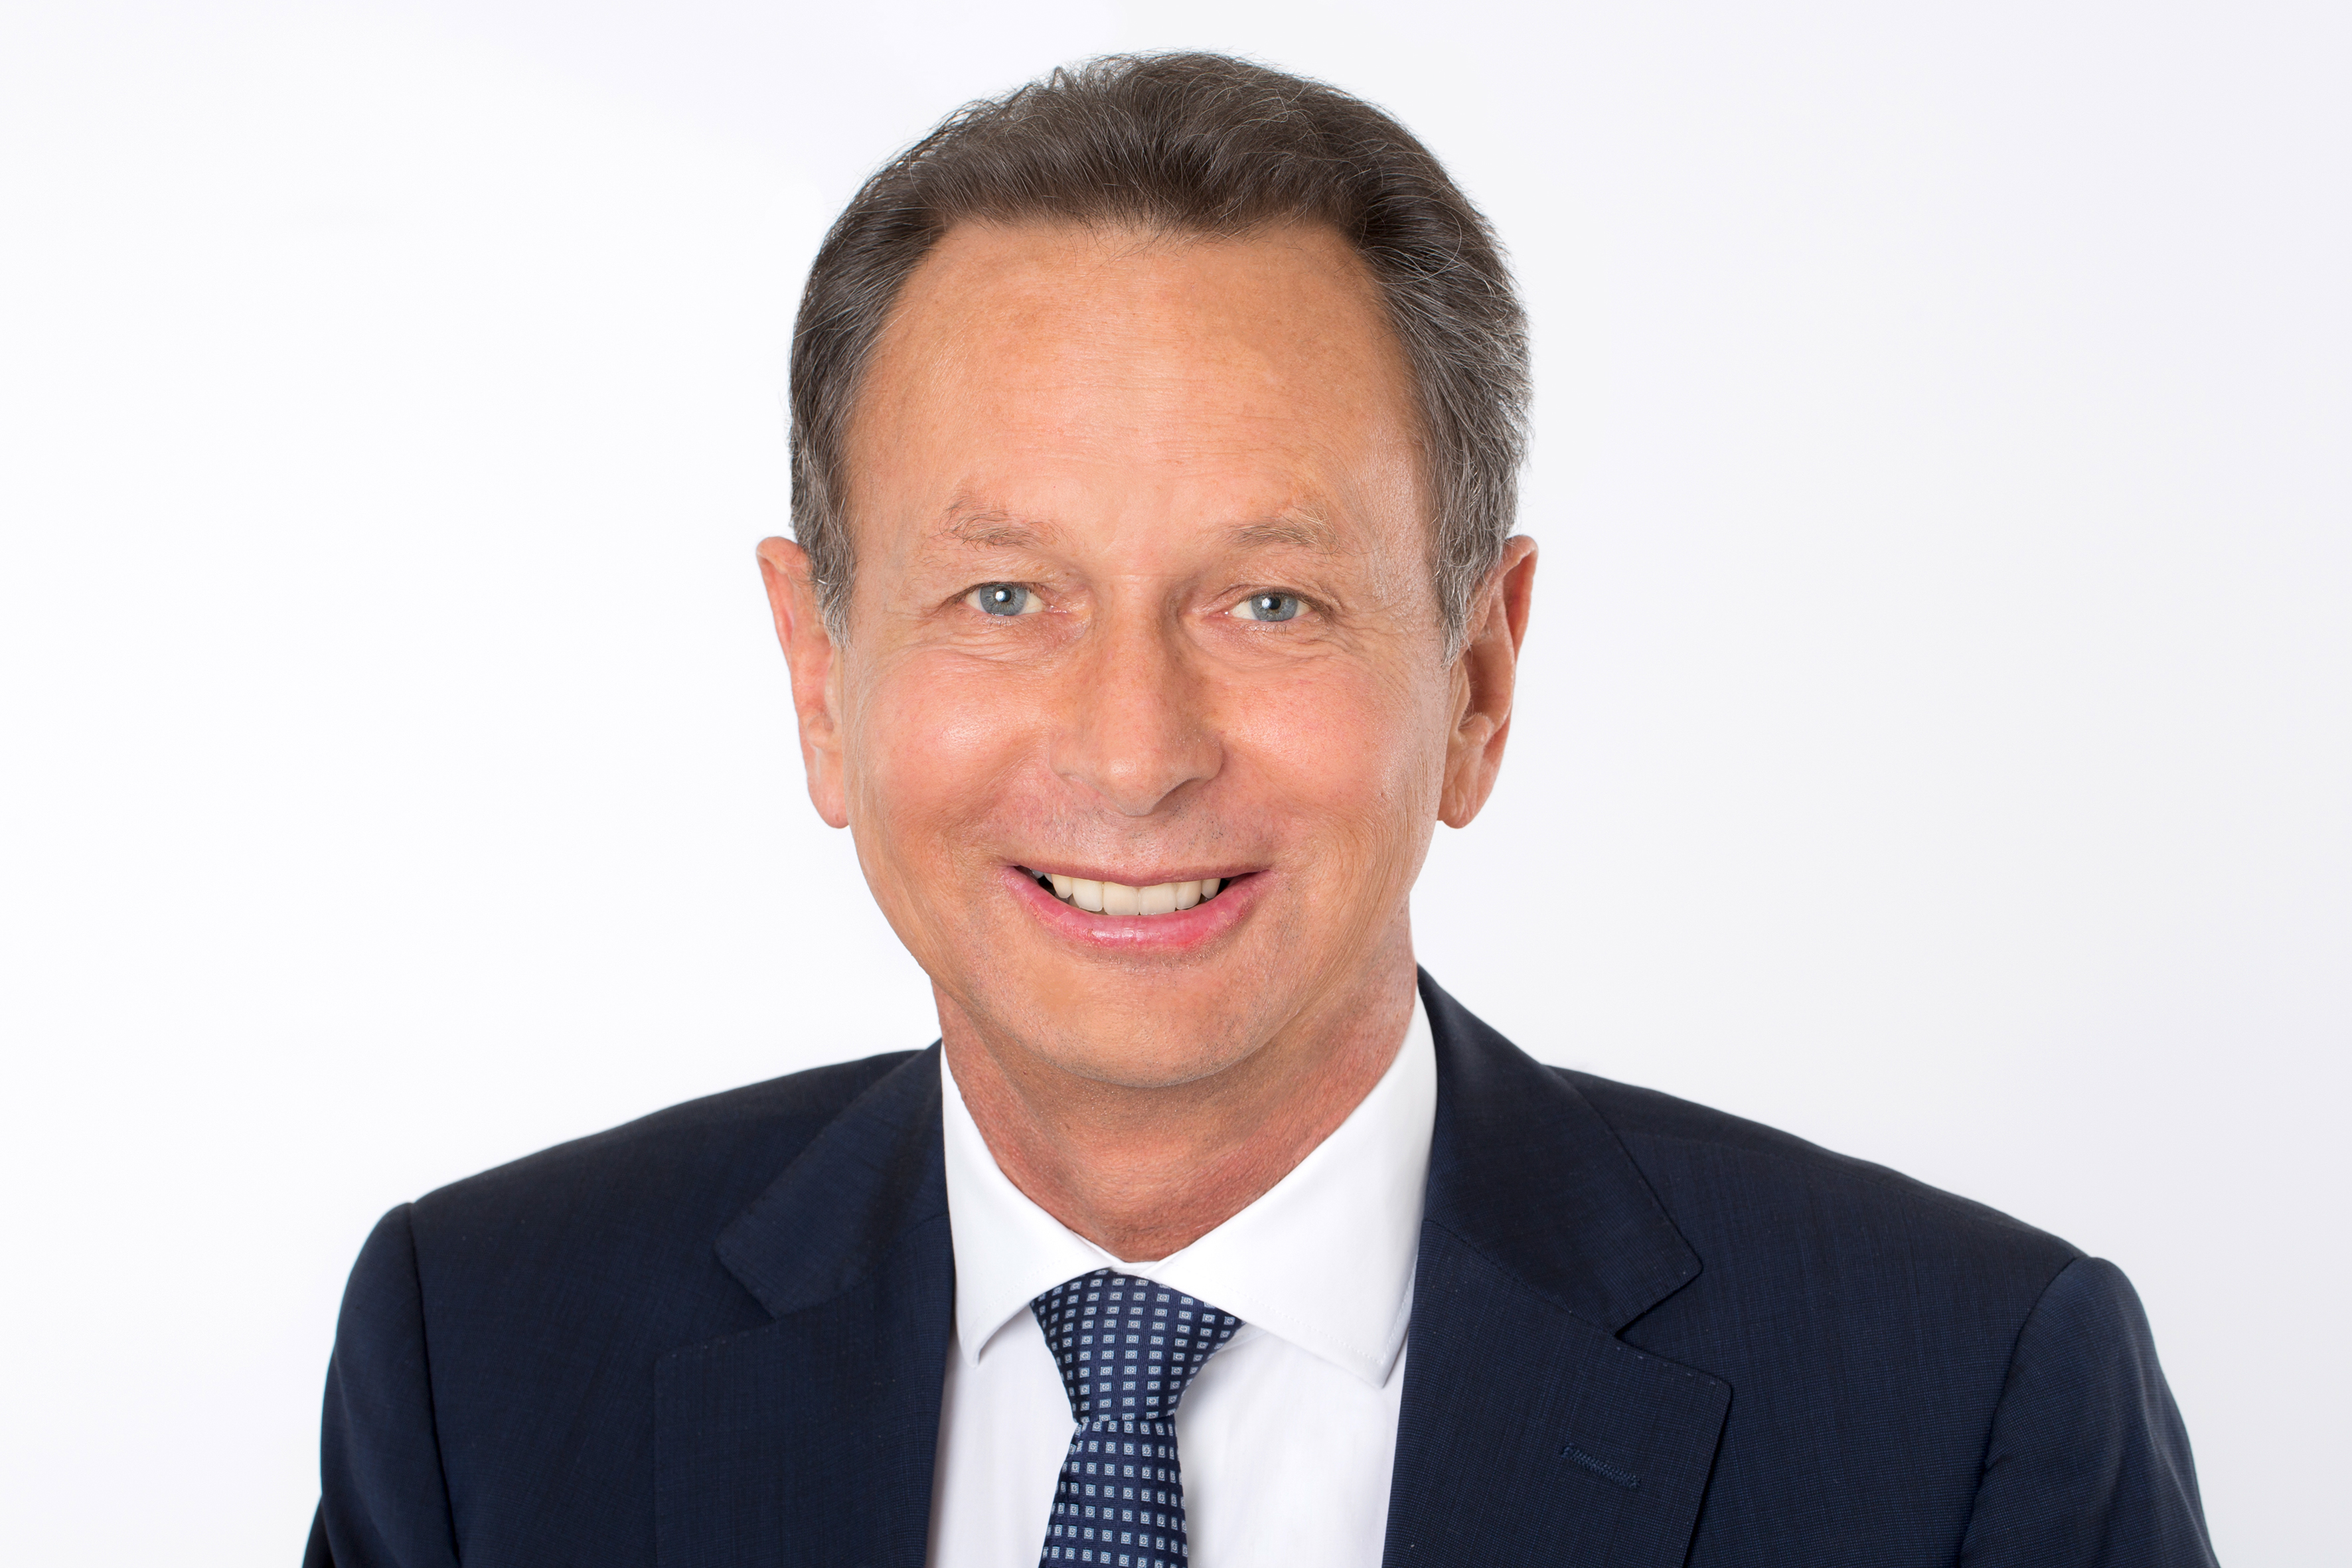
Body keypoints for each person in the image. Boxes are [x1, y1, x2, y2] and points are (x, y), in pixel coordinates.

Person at [306, 52, 2215, 1568]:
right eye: (1005, 595)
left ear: (1478, 680)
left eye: (1272, 603)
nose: (1133, 751)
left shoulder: (1962, 1411)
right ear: (821, 677)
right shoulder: (484, 1361)